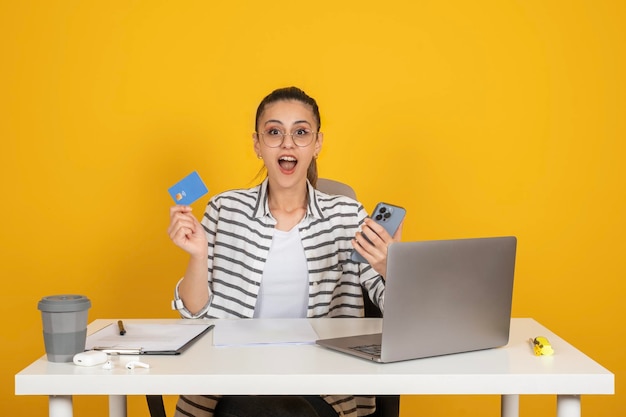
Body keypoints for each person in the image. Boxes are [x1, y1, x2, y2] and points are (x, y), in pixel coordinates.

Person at [167, 86, 403, 417]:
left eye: (301, 132)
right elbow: (193, 315)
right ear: (257, 145)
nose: (288, 143)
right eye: (274, 132)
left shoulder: (347, 215)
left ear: (317, 144)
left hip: (322, 385)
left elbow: (399, 313)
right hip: (234, 382)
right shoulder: (224, 209)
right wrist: (198, 255)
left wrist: (389, 267)